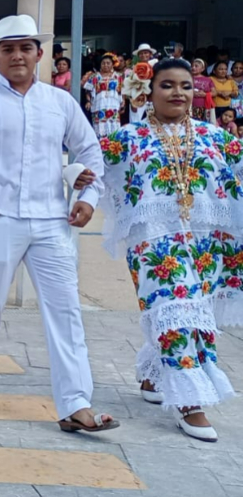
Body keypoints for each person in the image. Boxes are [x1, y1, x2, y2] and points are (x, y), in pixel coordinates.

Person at [0, 14, 118, 433]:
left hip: (52, 220)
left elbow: (90, 153)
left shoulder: (59, 102)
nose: (17, 56)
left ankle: (75, 402)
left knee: (65, 309)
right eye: (8, 49)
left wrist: (88, 199)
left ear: (39, 53)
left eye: (25, 48)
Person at [98, 58, 243, 442]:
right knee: (175, 310)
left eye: (185, 86)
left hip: (208, 243)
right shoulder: (127, 138)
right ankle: (190, 401)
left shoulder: (218, 139)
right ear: (149, 92)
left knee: (195, 312)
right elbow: (88, 166)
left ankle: (151, 375)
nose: (177, 93)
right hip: (154, 243)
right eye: (167, 85)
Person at [85, 54, 124, 136]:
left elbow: (122, 91)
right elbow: (88, 90)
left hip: (114, 105)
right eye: (103, 63)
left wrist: (123, 103)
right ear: (100, 64)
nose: (106, 65)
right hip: (99, 105)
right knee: (99, 127)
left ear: (112, 64)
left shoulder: (118, 76)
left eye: (108, 63)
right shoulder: (94, 76)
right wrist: (88, 101)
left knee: (114, 127)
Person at [192, 58, 215, 123]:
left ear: (202, 69)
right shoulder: (186, 78)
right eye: (192, 66)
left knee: (202, 125)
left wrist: (205, 94)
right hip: (189, 107)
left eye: (196, 66)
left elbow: (214, 92)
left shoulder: (208, 79)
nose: (193, 68)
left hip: (203, 107)